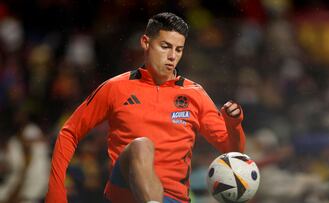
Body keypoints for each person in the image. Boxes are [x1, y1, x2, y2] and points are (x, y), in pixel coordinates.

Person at [46, 12, 246, 203]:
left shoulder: (195, 94)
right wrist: (56, 193)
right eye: (165, 46)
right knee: (141, 145)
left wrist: (233, 124)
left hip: (174, 198)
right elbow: (69, 132)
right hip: (124, 194)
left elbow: (234, 153)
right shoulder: (115, 88)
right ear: (146, 42)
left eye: (178, 49)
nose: (172, 56)